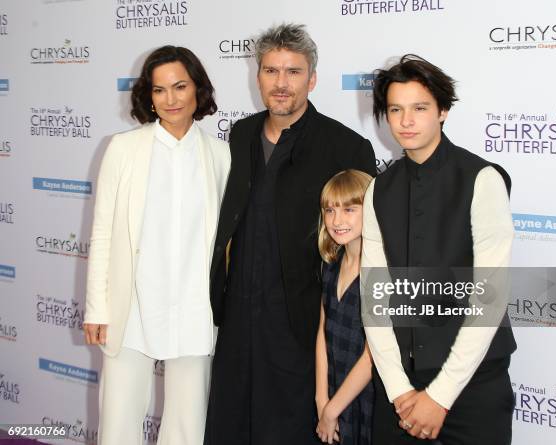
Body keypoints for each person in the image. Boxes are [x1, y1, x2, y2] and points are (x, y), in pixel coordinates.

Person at [205, 24, 376, 445]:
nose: (281, 84)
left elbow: (366, 241)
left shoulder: (345, 146)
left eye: (293, 72)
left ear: (312, 79)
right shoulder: (241, 134)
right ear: (257, 76)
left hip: (302, 325)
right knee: (230, 425)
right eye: (270, 71)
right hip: (238, 318)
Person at [361, 54, 516, 444]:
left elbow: (490, 299)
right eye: (396, 109)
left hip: (472, 389)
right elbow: (374, 299)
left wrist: (440, 397)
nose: (406, 121)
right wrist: (398, 390)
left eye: (420, 108)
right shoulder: (379, 189)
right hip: (400, 390)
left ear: (443, 111)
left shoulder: (482, 179)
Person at [83, 45, 230, 445]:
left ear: (197, 89)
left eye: (180, 86)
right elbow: (102, 233)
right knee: (118, 418)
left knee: (189, 422)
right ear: (148, 96)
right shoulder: (123, 149)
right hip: (131, 302)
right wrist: (97, 306)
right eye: (160, 90)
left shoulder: (221, 155)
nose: (171, 99)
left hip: (195, 303)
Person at [315, 170, 375, 445]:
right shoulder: (331, 264)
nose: (337, 221)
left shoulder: (380, 272)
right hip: (332, 393)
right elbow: (322, 332)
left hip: (366, 399)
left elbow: (372, 355)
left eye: (349, 209)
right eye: (330, 210)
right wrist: (321, 398)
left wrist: (333, 408)